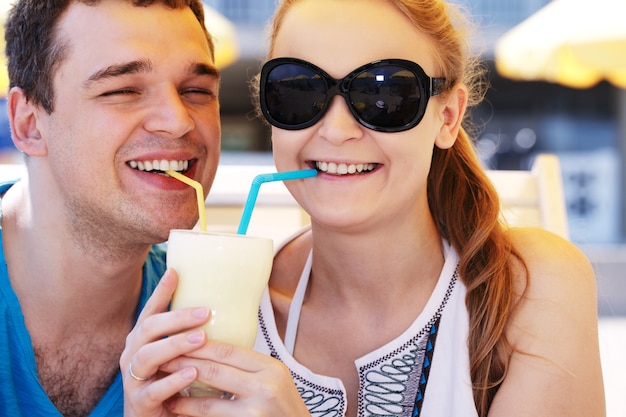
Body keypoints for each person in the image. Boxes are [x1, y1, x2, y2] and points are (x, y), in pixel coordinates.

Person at [124, 1, 605, 416]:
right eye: (299, 90)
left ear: (448, 118)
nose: (336, 130)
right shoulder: (218, 310)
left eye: (384, 94)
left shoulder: (529, 285)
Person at [0, 0, 221, 416]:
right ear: (29, 124)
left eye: (196, 91)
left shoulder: (226, 320)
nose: (178, 121)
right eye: (122, 90)